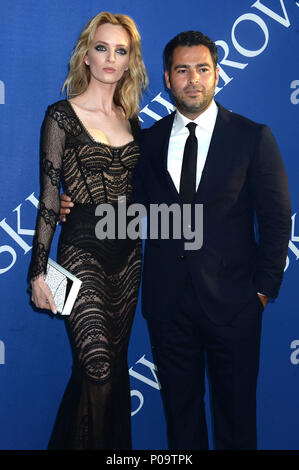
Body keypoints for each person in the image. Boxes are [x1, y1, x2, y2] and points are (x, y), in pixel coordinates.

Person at [60, 30, 291, 450]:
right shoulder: (147, 141)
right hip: (169, 309)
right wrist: (75, 208)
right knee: (181, 423)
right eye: (182, 70)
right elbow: (130, 213)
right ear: (168, 78)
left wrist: (262, 292)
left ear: (217, 75)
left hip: (236, 306)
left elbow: (276, 221)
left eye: (202, 69)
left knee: (237, 421)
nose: (192, 79)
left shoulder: (252, 137)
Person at [28, 11, 148, 450]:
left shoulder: (132, 121)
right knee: (96, 364)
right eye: (102, 48)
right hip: (81, 250)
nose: (110, 58)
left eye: (121, 50)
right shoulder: (61, 116)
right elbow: (48, 196)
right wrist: (37, 273)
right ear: (86, 56)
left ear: (130, 59)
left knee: (108, 373)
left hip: (130, 253)